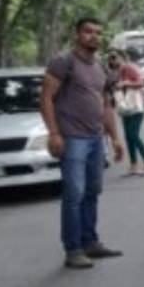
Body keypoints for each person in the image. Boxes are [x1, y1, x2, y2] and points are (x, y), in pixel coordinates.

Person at [40, 17, 125, 269]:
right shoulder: (63, 62)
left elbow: (106, 105)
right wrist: (54, 133)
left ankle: (90, 242)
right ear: (77, 34)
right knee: (74, 193)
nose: (94, 36)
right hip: (72, 138)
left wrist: (115, 138)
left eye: (98, 32)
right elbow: (46, 98)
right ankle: (73, 249)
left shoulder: (100, 67)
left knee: (92, 191)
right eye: (88, 31)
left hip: (95, 138)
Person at [107, 49, 144, 177]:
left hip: (136, 106)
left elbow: (141, 82)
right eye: (111, 58)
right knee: (128, 137)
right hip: (125, 106)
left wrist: (127, 83)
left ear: (122, 57)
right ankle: (133, 165)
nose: (113, 60)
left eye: (115, 57)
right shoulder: (115, 73)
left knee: (133, 136)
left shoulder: (130, 68)